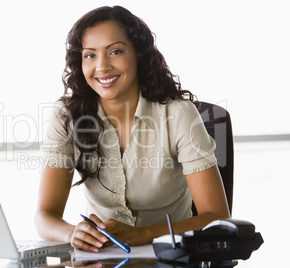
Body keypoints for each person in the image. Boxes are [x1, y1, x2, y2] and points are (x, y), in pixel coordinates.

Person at [34, 5, 230, 253]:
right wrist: (73, 232)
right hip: (101, 257)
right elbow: (44, 216)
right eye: (90, 55)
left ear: (138, 52)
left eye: (115, 51)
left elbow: (217, 217)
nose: (102, 67)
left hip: (170, 257)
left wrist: (144, 234)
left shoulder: (178, 114)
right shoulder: (67, 116)